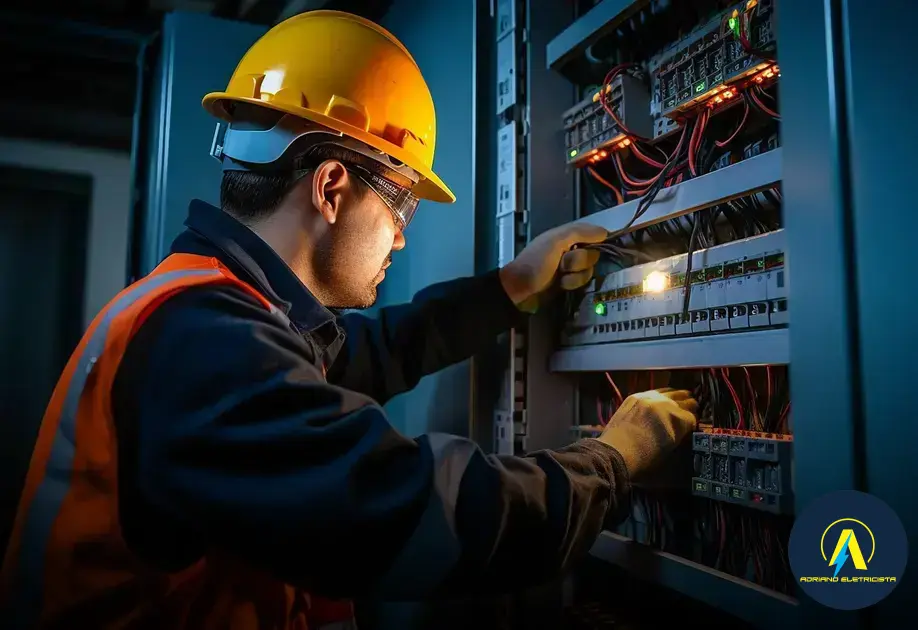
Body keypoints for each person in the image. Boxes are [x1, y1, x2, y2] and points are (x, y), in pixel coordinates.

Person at [0, 10, 697, 630]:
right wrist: (615, 457)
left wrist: (512, 286)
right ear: (332, 187)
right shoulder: (203, 343)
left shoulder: (213, 310)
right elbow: (413, 511)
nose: (400, 237)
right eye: (402, 206)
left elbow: (376, 348)